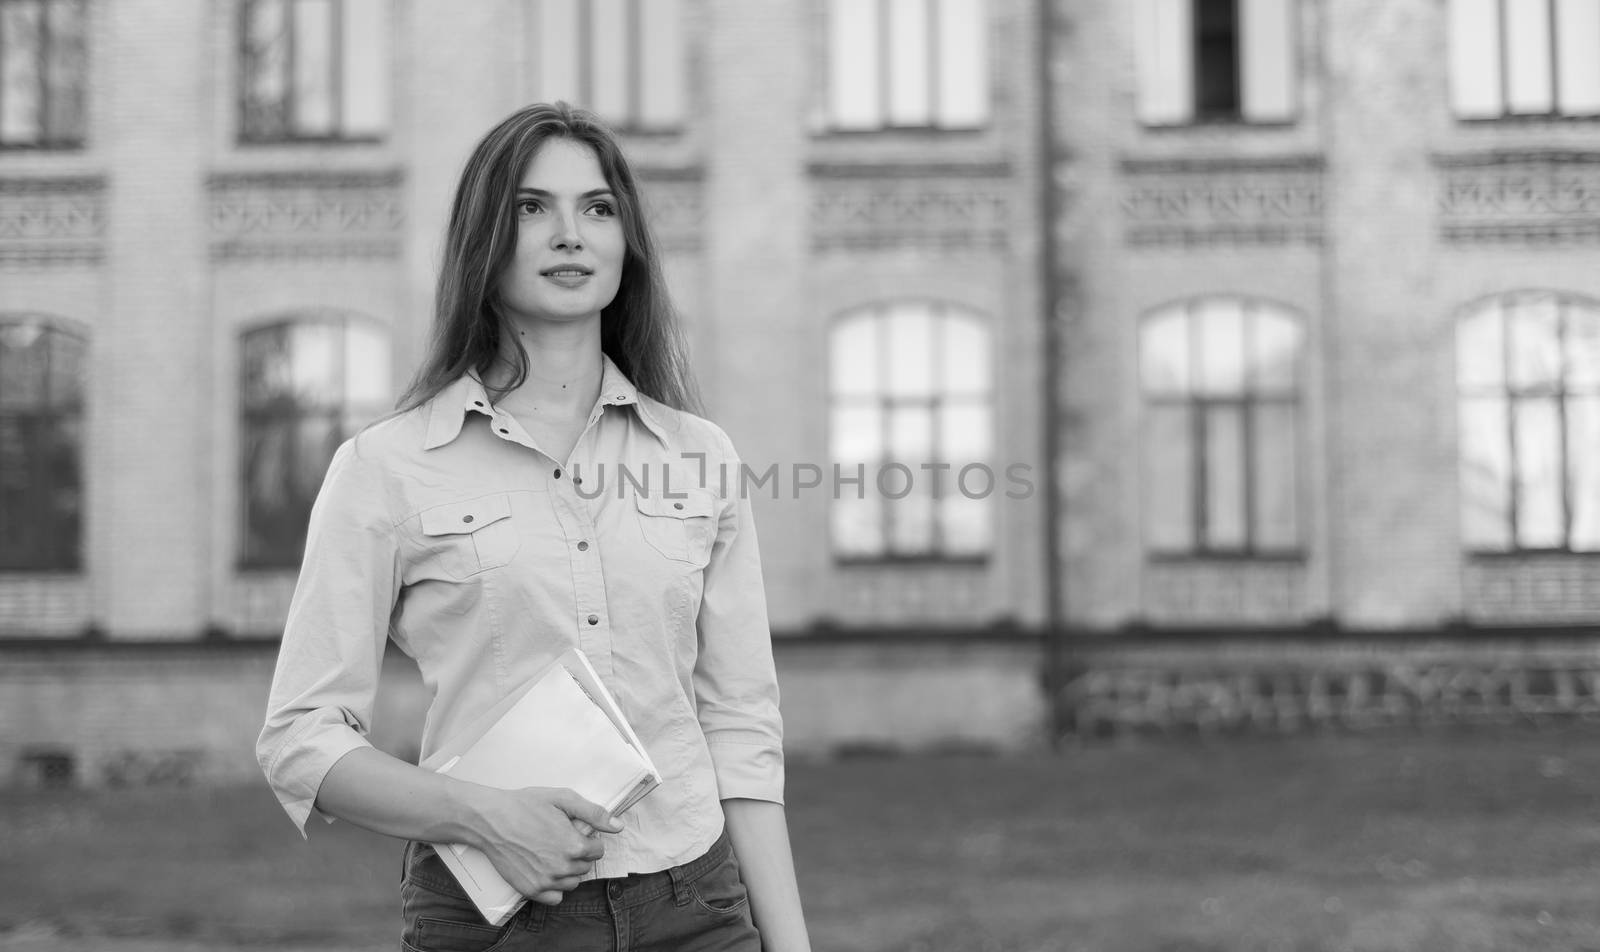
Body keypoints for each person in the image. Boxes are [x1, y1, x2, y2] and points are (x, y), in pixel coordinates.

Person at [256, 102, 811, 952]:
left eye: (597, 208)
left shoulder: (701, 456)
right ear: (485, 238)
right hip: (495, 921)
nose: (569, 235)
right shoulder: (387, 467)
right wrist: (483, 817)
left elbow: (739, 724)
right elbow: (300, 740)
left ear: (626, 243)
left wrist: (790, 943)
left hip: (697, 907)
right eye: (530, 207)